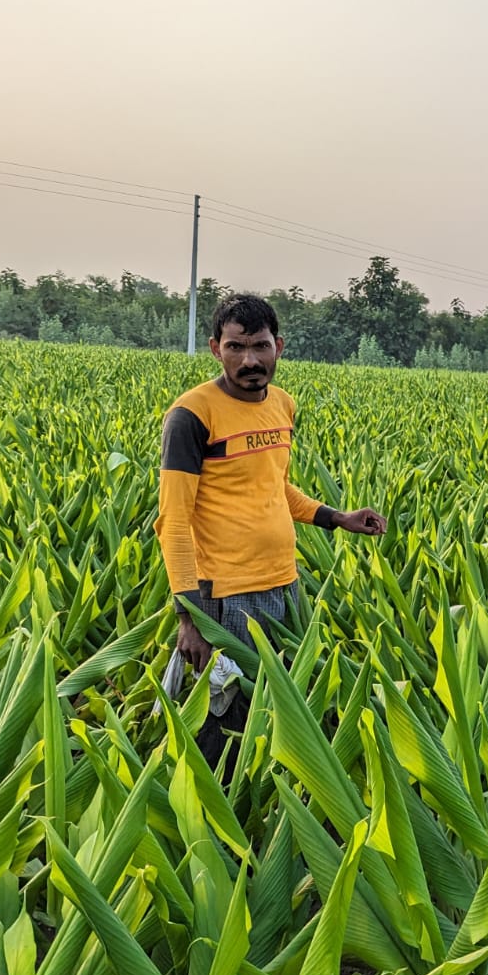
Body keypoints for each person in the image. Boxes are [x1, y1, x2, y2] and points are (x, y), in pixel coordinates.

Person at [154, 293, 385, 766]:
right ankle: (208, 807)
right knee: (226, 710)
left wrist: (335, 517)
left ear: (279, 346)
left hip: (284, 583)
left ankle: (269, 791)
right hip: (225, 594)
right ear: (215, 348)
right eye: (236, 347)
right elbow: (173, 521)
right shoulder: (191, 416)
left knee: (281, 699)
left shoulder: (282, 404)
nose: (250, 360)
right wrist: (189, 618)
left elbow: (275, 486)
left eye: (260, 346)